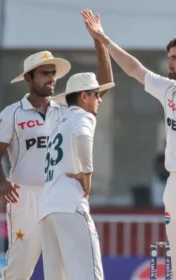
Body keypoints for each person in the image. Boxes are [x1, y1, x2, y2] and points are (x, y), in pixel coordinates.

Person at [82, 9, 176, 279]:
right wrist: (104, 40)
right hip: (175, 183)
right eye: (168, 58)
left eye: (174, 59)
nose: (169, 63)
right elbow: (134, 69)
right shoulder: (168, 89)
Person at [0, 10, 112, 279]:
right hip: (25, 196)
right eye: (45, 74)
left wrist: (99, 41)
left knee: (61, 271)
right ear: (28, 78)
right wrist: (3, 182)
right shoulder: (12, 113)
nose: (52, 79)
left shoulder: (66, 111)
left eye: (53, 74)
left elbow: (99, 89)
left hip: (57, 192)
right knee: (21, 267)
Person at [39, 72, 114, 280]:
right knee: (89, 274)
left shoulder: (58, 126)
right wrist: (87, 174)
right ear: (83, 96)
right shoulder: (83, 116)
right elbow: (83, 136)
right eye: (96, 94)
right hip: (69, 204)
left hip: (47, 208)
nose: (99, 100)